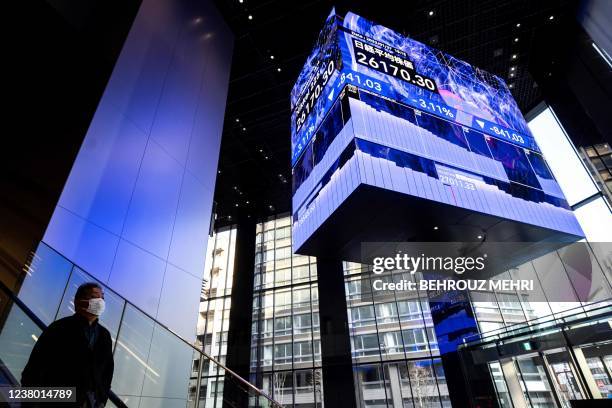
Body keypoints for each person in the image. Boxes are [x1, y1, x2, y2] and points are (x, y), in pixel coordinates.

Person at [21, 282, 114, 407]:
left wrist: (101, 400)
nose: (100, 301)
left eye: (102, 297)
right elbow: (33, 370)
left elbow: (107, 373)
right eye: (94, 297)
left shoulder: (105, 336)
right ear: (79, 301)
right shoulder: (59, 328)